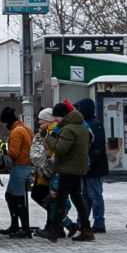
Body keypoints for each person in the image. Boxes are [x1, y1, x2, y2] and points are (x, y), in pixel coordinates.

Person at [44, 101, 92, 241]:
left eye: (56, 116)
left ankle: (53, 230)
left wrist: (47, 138)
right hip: (78, 168)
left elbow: (60, 149)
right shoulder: (81, 127)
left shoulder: (68, 129)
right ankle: (86, 229)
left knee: (61, 200)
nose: (55, 119)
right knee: (77, 199)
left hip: (68, 169)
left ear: (63, 115)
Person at [0, 106, 33, 238]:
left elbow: (14, 153)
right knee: (10, 196)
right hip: (26, 166)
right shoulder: (25, 128)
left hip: (20, 167)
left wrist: (3, 151)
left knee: (17, 198)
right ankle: (15, 225)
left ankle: (24, 229)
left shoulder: (16, 132)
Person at [74, 98, 107, 233]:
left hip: (93, 166)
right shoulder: (90, 123)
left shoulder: (93, 124)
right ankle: (84, 221)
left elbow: (96, 146)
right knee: (87, 195)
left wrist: (89, 161)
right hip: (90, 165)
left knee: (93, 195)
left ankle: (98, 223)